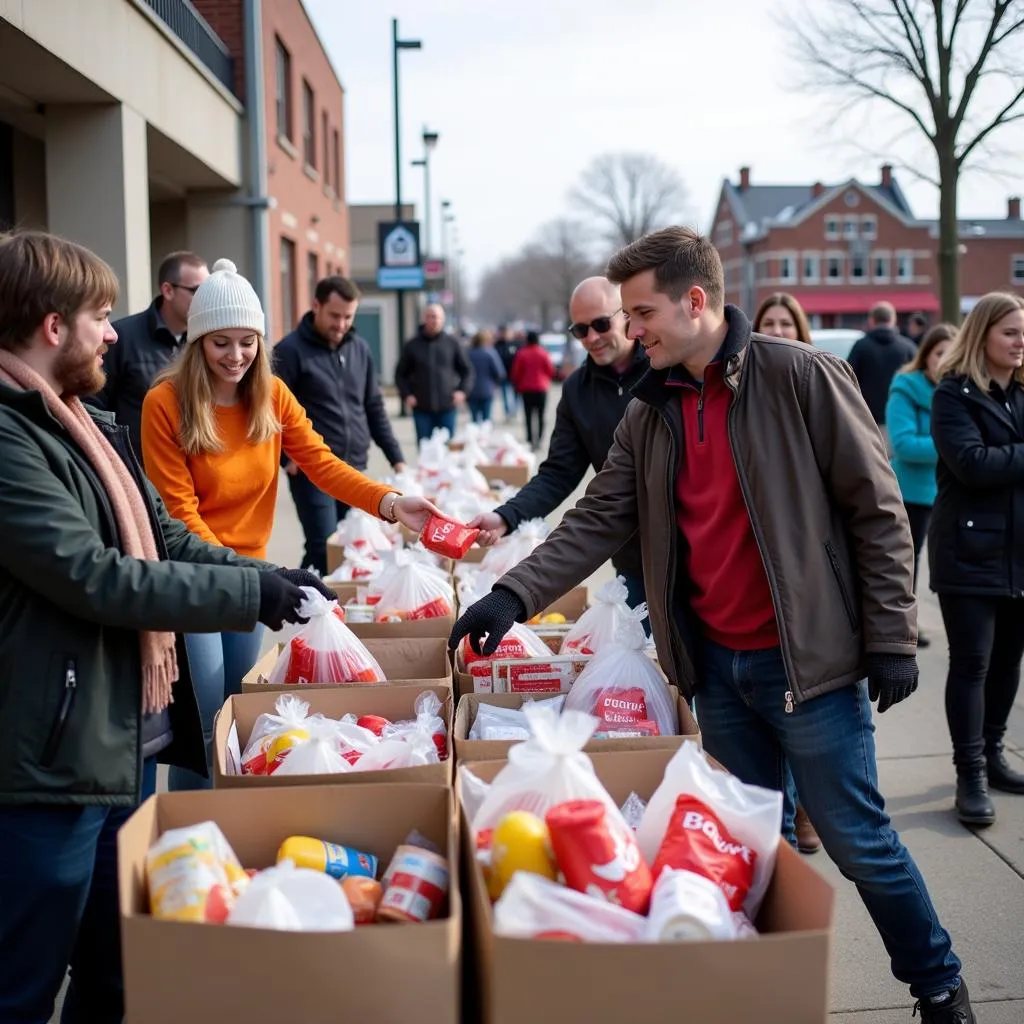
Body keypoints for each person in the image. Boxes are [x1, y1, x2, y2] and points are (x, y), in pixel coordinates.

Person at [451, 227, 976, 1024]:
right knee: (739, 849)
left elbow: (877, 513)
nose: (631, 333)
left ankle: (938, 987)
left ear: (696, 302)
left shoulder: (802, 377)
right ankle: (760, 996)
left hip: (810, 669)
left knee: (858, 841)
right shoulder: (649, 410)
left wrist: (894, 636)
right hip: (716, 672)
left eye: (641, 313)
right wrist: (512, 596)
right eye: (624, 318)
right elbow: (595, 517)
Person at [0, 231, 328, 1023]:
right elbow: (94, 575)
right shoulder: (11, 438)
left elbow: (165, 536)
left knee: (117, 976)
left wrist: (267, 578)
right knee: (24, 987)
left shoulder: (81, 424)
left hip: (112, 748)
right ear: (53, 326)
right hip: (49, 764)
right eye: (102, 316)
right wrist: (246, 599)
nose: (117, 332)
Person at [141, 259, 440, 790]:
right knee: (210, 723)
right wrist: (249, 575)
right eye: (221, 343)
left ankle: (235, 819)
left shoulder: (272, 395)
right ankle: (194, 825)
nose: (236, 357)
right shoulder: (165, 403)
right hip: (195, 575)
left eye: (248, 342)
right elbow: (179, 514)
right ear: (197, 342)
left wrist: (391, 503)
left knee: (239, 714)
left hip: (251, 573)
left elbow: (324, 465)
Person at [470, 277, 649, 610]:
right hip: (631, 557)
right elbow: (558, 473)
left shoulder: (662, 368)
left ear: (625, 314)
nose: (592, 338)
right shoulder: (577, 390)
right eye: (581, 330)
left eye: (600, 324)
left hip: (692, 553)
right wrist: (506, 516)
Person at [928, 292, 1024, 830]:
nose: (1020, 342)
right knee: (973, 664)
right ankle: (970, 774)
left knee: (1009, 662)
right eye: (1010, 332)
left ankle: (992, 754)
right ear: (983, 334)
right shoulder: (953, 394)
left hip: (1018, 554)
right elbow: (972, 465)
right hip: (969, 553)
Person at [274, 276, 407, 575]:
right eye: (335, 315)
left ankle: (323, 605)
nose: (342, 324)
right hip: (311, 470)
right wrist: (285, 456)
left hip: (353, 468)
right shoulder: (290, 351)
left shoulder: (359, 348)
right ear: (316, 306)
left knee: (349, 545)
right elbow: (269, 412)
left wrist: (396, 457)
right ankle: (301, 604)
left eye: (348, 316)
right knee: (323, 544)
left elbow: (373, 405)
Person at [753, 290, 820, 856]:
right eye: (766, 324)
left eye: (786, 324)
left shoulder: (820, 388)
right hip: (741, 607)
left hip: (803, 604)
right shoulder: (742, 395)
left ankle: (802, 807)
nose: (776, 331)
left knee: (799, 724)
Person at [88, 251, 208, 459]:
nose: (205, 299)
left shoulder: (206, 341)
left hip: (192, 473)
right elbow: (92, 407)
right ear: (168, 290)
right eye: (197, 290)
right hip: (136, 474)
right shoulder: (120, 338)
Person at [886, 324, 958, 651]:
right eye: (939, 353)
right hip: (910, 493)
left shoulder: (962, 389)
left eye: (951, 353)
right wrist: (956, 445)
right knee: (907, 564)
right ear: (926, 354)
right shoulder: (906, 387)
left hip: (949, 492)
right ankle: (903, 630)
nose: (945, 361)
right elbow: (903, 445)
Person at [395, 303, 473, 443]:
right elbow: (400, 374)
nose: (433, 320)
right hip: (421, 409)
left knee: (448, 452)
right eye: (429, 317)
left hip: (447, 407)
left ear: (442, 320)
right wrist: (407, 395)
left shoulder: (452, 343)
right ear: (424, 319)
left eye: (436, 317)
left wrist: (462, 391)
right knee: (425, 452)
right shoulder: (412, 345)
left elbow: (467, 371)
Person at [847, 301, 918, 435]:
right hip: (903, 419)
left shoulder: (860, 347)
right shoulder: (908, 348)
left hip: (868, 419)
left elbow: (848, 380)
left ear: (871, 320)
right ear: (893, 320)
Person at [510, 330, 556, 450]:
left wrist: (517, 384)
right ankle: (539, 439)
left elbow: (516, 372)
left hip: (526, 389)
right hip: (541, 388)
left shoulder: (522, 353)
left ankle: (530, 440)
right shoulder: (543, 353)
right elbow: (550, 370)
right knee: (541, 415)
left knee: (528, 416)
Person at [466, 329, 506, 423]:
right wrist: (496, 384)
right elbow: (500, 372)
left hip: (471, 389)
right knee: (486, 420)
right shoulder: (490, 353)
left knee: (474, 419)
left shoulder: (467, 353)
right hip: (487, 389)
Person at [494, 325, 520, 419]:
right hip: (503, 375)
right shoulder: (497, 345)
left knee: (516, 395)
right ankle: (508, 412)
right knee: (505, 395)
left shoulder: (516, 344)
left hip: (515, 375)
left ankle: (514, 411)